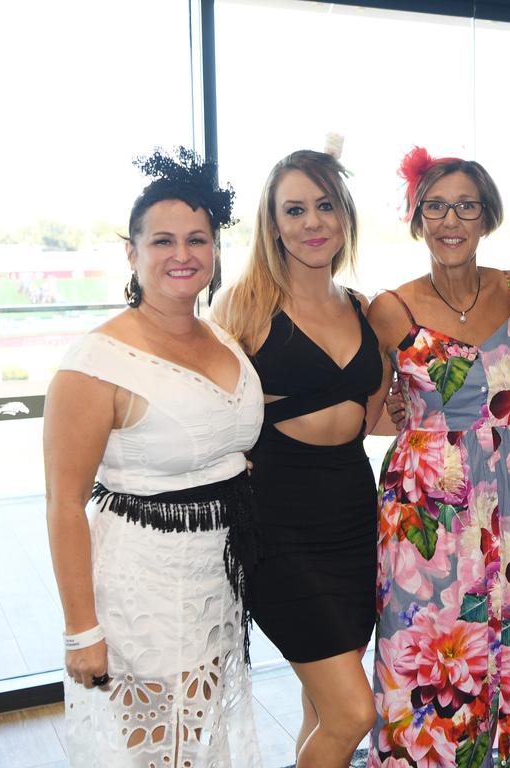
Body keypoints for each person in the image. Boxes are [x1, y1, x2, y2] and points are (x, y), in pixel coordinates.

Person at [44, 147, 262, 766]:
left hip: (215, 577)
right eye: (162, 240)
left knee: (200, 736)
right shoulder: (96, 363)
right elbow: (63, 506)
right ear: (131, 253)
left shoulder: (219, 334)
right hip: (140, 587)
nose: (182, 254)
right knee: (156, 752)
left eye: (197, 239)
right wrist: (82, 631)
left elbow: (221, 437)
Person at [366, 147, 510, 767]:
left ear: (487, 217)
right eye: (437, 206)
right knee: (430, 643)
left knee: (509, 637)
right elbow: (373, 411)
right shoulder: (389, 307)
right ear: (417, 216)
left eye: (466, 206)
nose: (451, 220)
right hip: (426, 502)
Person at [212, 146, 387, 768]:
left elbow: (375, 410)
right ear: (273, 222)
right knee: (353, 712)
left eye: (325, 206)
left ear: (344, 217)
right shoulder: (243, 307)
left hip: (352, 513)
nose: (312, 222)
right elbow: (200, 406)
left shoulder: (361, 307)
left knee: (322, 706)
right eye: (295, 209)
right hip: (278, 525)